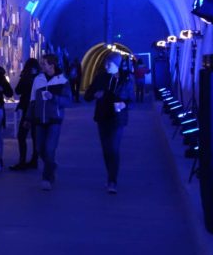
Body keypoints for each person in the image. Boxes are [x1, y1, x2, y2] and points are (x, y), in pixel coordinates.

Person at [84, 52, 135, 194]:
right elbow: (87, 95)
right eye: (105, 62)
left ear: (117, 65)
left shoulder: (126, 79)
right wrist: (95, 94)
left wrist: (123, 105)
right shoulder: (100, 77)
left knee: (113, 149)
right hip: (102, 117)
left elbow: (132, 100)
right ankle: (110, 177)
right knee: (106, 150)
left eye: (110, 63)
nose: (106, 65)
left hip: (117, 119)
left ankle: (113, 181)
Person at [31, 54, 72, 190]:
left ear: (52, 65)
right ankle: (52, 165)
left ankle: (47, 177)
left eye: (44, 63)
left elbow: (68, 101)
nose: (41, 66)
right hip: (39, 119)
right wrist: (28, 117)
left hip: (54, 119)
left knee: (49, 149)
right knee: (39, 148)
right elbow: (32, 100)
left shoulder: (63, 80)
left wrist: (54, 97)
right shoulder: (38, 79)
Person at [10, 58, 41, 171]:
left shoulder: (26, 77)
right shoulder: (41, 77)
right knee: (35, 136)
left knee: (21, 135)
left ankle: (22, 161)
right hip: (38, 110)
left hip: (28, 110)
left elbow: (18, 90)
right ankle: (34, 160)